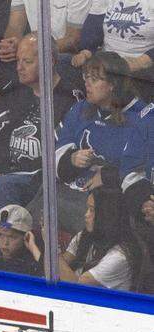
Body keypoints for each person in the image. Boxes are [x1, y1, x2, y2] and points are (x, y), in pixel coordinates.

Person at [0, 34, 81, 221]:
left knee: (2, 185)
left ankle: (6, 247)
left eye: (27, 61)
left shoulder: (70, 99)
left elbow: (58, 154)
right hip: (5, 170)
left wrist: (2, 175)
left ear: (49, 61)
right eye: (18, 60)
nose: (19, 67)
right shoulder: (14, 91)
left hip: (39, 176)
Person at [55, 51, 151, 230]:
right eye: (86, 77)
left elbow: (143, 171)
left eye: (94, 78)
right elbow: (58, 148)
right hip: (71, 189)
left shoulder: (142, 118)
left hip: (109, 202)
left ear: (113, 84)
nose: (87, 83)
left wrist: (109, 176)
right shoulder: (80, 108)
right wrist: (71, 159)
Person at [0, 0, 88, 97]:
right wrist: (12, 45)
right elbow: (14, 25)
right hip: (29, 47)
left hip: (59, 52)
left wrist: (35, 48)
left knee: (35, 60)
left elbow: (72, 40)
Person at [59, 178, 142, 290]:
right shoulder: (85, 236)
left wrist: (54, 250)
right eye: (87, 208)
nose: (86, 215)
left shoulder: (119, 257)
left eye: (92, 210)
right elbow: (57, 269)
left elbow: (77, 287)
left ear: (107, 215)